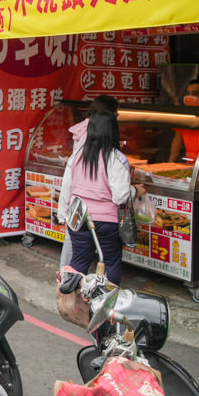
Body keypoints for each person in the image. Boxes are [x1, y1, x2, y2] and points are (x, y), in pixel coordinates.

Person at [57, 111, 143, 285]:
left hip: (77, 217)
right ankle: (106, 305)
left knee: (79, 263)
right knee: (109, 262)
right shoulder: (116, 158)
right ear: (113, 130)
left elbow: (66, 186)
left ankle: (73, 303)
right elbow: (120, 197)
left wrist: (62, 214)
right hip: (106, 221)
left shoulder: (77, 155)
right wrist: (135, 191)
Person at [59, 95, 119, 269]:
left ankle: (66, 281)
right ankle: (66, 279)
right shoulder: (92, 133)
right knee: (79, 251)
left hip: (78, 202)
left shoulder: (85, 128)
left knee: (77, 250)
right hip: (89, 204)